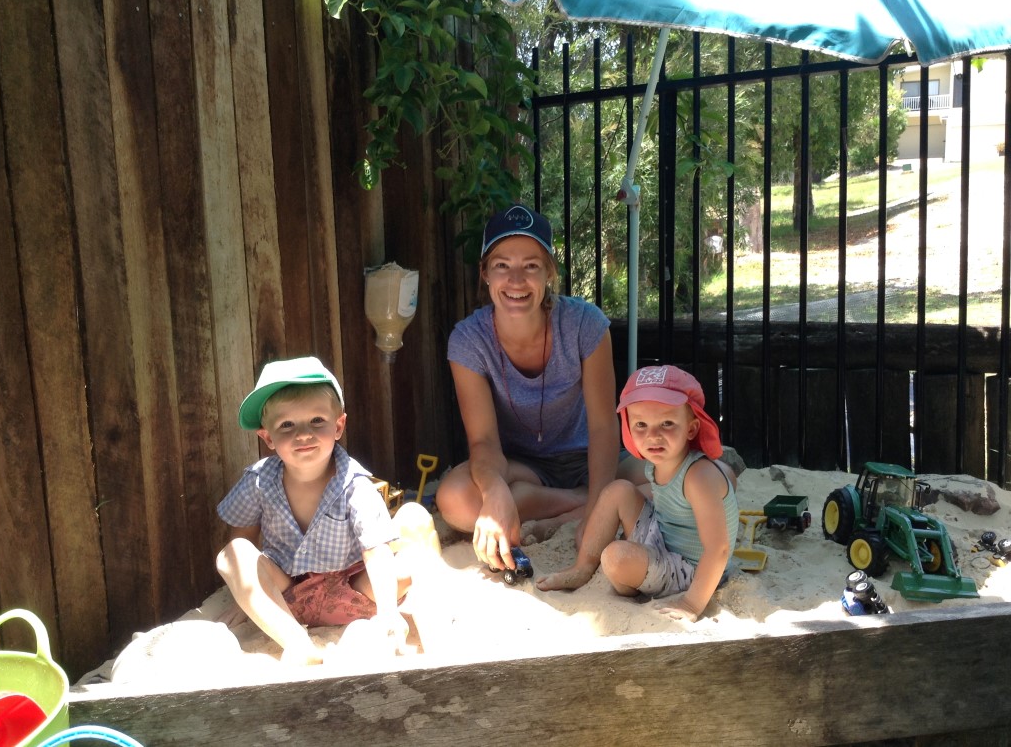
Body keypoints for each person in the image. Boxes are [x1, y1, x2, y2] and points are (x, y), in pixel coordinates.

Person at [436, 203, 642, 573]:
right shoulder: (468, 340)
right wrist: (495, 490)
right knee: (454, 500)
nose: (516, 280)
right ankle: (575, 502)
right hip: (523, 467)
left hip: (589, 458)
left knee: (671, 485)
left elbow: (602, 426)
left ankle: (581, 503)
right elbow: (483, 441)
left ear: (549, 271)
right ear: (485, 273)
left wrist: (595, 513)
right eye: (502, 265)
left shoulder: (585, 324)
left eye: (531, 265)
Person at [215, 356, 440, 665]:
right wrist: (248, 598)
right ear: (268, 437)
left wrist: (388, 611)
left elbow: (375, 551)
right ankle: (298, 643)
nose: (303, 434)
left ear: (338, 426)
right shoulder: (258, 481)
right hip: (290, 597)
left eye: (317, 421)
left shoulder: (354, 484)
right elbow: (243, 537)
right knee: (232, 553)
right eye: (287, 425)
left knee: (414, 553)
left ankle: (439, 636)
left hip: (355, 592)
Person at [537, 364, 739, 623]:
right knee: (617, 490)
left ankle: (631, 583)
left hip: (694, 569)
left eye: (666, 423)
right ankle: (583, 567)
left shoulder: (698, 476)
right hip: (664, 539)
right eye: (641, 424)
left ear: (691, 428)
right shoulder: (660, 463)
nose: (653, 436)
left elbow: (718, 549)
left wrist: (691, 603)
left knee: (615, 557)